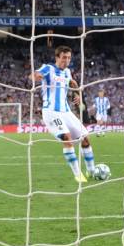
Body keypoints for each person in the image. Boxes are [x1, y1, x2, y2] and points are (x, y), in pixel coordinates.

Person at [32, 46, 97, 183]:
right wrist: (37, 76)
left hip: (66, 112)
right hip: (51, 112)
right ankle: (78, 174)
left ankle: (91, 171)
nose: (66, 61)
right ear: (57, 58)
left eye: (68, 58)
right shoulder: (48, 68)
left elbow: (73, 83)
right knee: (66, 138)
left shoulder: (67, 72)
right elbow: (34, 74)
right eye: (63, 58)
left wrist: (77, 95)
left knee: (85, 139)